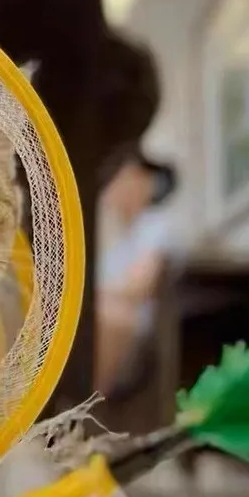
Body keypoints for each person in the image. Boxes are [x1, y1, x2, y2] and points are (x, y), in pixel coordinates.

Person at [95, 146, 177, 394]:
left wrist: (94, 294)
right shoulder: (119, 239)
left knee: (108, 314)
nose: (116, 184)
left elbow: (140, 287)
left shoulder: (155, 226)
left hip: (133, 327)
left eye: (126, 176)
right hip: (110, 315)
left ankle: (92, 398)